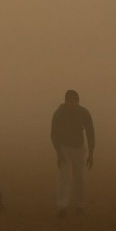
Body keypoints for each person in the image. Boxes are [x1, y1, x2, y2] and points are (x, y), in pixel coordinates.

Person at [50, 89, 95, 218]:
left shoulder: (83, 112)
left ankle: (79, 205)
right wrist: (58, 152)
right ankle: (62, 207)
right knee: (64, 177)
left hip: (79, 148)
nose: (74, 105)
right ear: (67, 101)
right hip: (64, 147)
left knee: (79, 177)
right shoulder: (59, 114)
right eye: (72, 102)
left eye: (76, 102)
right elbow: (54, 134)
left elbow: (90, 132)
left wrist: (91, 153)